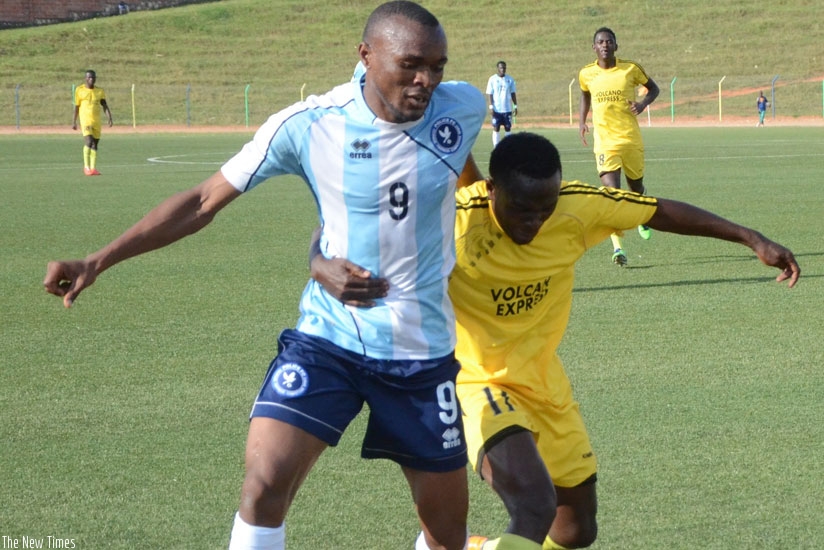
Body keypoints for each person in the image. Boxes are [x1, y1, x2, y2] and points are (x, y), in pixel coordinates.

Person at [43, 2, 487, 550]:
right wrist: (98, 259)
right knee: (262, 487)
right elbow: (203, 201)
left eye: (438, 66)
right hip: (329, 341)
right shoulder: (308, 124)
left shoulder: (464, 106)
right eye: (412, 64)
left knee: (446, 533)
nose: (427, 81)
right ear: (365, 56)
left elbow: (463, 173)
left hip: (421, 354)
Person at [309, 132, 800, 550]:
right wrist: (320, 261)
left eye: (545, 207)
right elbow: (352, 233)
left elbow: (657, 212)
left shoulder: (577, 207)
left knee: (575, 529)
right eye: (522, 208)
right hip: (473, 380)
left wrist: (751, 238)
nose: (535, 221)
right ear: (492, 188)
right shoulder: (454, 222)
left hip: (544, 381)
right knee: (534, 504)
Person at [578, 27, 660, 267]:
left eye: (609, 41)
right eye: (600, 42)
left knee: (636, 188)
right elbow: (584, 95)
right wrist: (581, 121)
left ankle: (641, 214)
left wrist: (643, 104)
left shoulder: (630, 69)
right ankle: (618, 249)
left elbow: (654, 88)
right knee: (612, 196)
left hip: (630, 140)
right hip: (605, 143)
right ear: (594, 47)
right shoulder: (586, 73)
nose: (605, 45)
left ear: (616, 45)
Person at [72, 69, 113, 176]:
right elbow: (76, 106)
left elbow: (104, 105)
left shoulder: (99, 91)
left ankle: (93, 168)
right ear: (86, 78)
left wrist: (109, 117)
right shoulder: (79, 90)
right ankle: (86, 167)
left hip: (96, 121)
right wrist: (74, 121)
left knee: (95, 145)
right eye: (89, 77)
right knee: (89, 142)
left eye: (93, 77)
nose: (91, 79)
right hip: (85, 121)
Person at [486, 61, 518, 148]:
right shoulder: (492, 79)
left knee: (508, 128)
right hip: (496, 109)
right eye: (501, 68)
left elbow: (513, 93)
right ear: (497, 68)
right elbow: (490, 93)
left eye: (504, 67)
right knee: (496, 128)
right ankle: (496, 148)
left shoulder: (510, 79)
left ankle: (507, 147)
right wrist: (491, 106)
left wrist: (515, 106)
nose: (502, 69)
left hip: (507, 109)